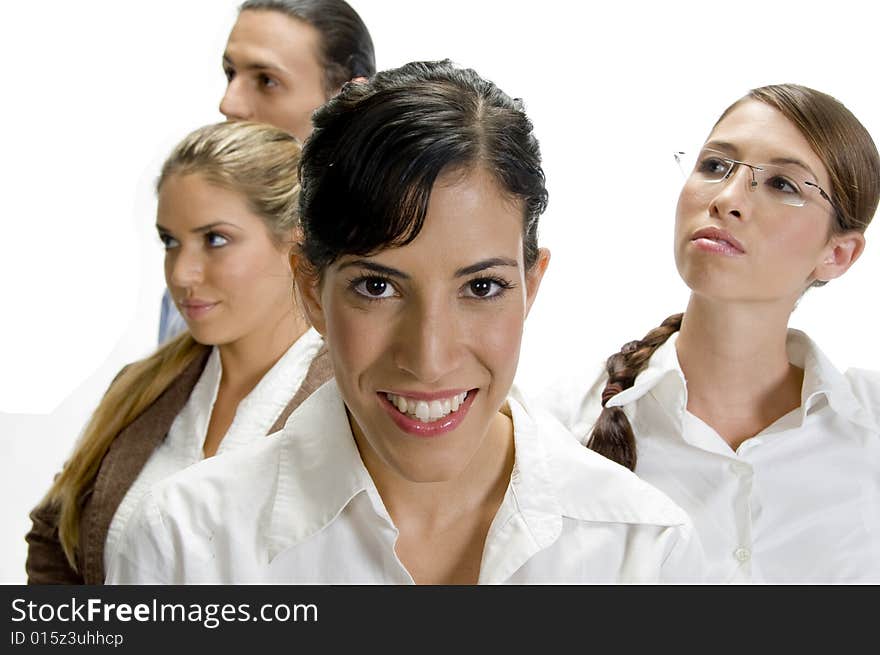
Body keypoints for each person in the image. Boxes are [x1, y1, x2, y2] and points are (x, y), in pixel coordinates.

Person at [106, 60, 704, 585]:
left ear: (531, 286)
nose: (429, 356)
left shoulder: (645, 553)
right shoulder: (184, 546)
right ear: (312, 290)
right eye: (377, 286)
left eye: (481, 287)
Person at [544, 84, 880, 583]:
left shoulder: (869, 431)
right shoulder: (555, 426)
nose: (726, 200)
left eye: (783, 184)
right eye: (715, 166)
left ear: (838, 255)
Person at [25, 122, 332, 584]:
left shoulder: (352, 399)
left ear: (295, 241)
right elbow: (55, 542)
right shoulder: (141, 386)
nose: (182, 273)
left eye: (215, 239)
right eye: (170, 242)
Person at [158, 0, 376, 343]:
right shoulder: (195, 284)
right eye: (231, 73)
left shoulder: (391, 264)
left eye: (266, 80)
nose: (228, 104)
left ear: (349, 97)